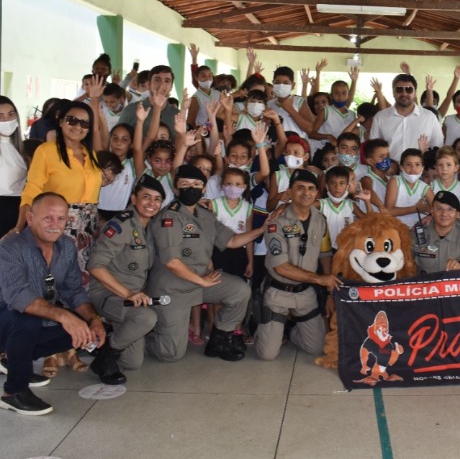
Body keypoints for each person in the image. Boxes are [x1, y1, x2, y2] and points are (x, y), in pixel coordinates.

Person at [145, 165, 266, 362]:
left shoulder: (206, 214)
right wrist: (202, 281)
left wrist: (262, 230)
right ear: (176, 189)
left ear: (203, 189)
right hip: (173, 289)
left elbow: (232, 241)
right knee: (171, 353)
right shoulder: (168, 217)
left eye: (196, 185)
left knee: (240, 290)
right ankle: (146, 337)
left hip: (199, 282)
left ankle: (219, 340)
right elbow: (172, 262)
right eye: (185, 184)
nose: (191, 188)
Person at [0, 193, 107, 416]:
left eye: (61, 219)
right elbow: (18, 296)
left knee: (87, 327)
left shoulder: (66, 246)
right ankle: (14, 392)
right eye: (48, 218)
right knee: (27, 322)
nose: (55, 225)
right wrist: (64, 316)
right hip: (7, 315)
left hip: (33, 318)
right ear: (30, 218)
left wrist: (93, 319)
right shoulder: (10, 246)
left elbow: (73, 290)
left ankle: (17, 361)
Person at [254, 169, 342, 361]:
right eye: (300, 188)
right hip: (278, 292)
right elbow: (281, 267)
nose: (306, 192)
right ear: (290, 192)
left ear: (317, 193)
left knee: (317, 348)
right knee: (267, 355)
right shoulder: (276, 221)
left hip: (305, 292)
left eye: (311, 188)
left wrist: (329, 292)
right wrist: (319, 279)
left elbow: (325, 254)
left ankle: (291, 330)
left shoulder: (320, 219)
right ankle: (269, 328)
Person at [86, 176, 165, 385]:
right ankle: (104, 358)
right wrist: (128, 294)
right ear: (133, 199)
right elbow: (95, 266)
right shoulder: (121, 225)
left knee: (132, 362)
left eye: (157, 199)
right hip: (108, 293)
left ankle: (112, 336)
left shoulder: (149, 226)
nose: (151, 203)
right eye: (146, 197)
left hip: (132, 296)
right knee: (146, 318)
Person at [16, 100, 103, 279]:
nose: (78, 127)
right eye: (72, 120)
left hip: (88, 227)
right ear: (61, 121)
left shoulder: (91, 154)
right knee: (54, 276)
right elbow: (32, 189)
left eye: (84, 123)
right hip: (57, 224)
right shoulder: (46, 151)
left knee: (82, 279)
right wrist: (20, 225)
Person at [370, 73, 444, 161]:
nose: (404, 93)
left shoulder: (429, 117)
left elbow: (438, 148)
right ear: (393, 92)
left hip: (421, 169)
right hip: (389, 169)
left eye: (409, 89)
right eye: (399, 89)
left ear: (415, 93)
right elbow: (373, 148)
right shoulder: (380, 117)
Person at [413, 191, 460, 273]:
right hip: (424, 281)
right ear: (432, 211)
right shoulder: (417, 233)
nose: (444, 214)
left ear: (457, 214)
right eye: (439, 209)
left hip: (455, 281)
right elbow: (406, 266)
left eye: (450, 209)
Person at [118, 66, 179, 140]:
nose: (162, 85)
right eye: (157, 80)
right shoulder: (130, 110)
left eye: (167, 81)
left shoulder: (177, 115)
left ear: (171, 86)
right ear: (149, 84)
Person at [0, 96, 27, 237]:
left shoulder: (19, 148)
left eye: (11, 114)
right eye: (1, 116)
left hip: (19, 210)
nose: (7, 120)